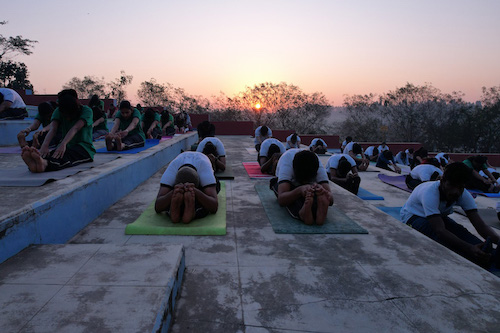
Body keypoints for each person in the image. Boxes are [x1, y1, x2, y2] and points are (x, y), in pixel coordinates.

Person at [401, 162, 500, 269]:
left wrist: (498, 241)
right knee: (438, 237)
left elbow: (480, 225)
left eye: (460, 187)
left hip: (437, 217)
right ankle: (475, 258)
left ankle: (489, 255)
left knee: (460, 231)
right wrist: (470, 249)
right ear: (442, 181)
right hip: (413, 217)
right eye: (451, 185)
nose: (455, 191)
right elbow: (440, 230)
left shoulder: (463, 194)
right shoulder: (430, 192)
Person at [20, 89, 95, 173]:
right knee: (53, 154)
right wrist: (45, 145)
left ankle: (44, 164)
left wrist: (63, 143)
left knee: (68, 156)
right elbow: (53, 129)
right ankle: (37, 164)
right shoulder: (58, 111)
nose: (68, 118)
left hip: (84, 148)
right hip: (66, 145)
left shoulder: (86, 111)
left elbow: (75, 128)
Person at [271, 149, 333, 225]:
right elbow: (282, 198)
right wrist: (299, 190)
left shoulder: (316, 163)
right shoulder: (287, 163)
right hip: (291, 186)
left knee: (314, 195)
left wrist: (321, 189)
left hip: (310, 188)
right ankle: (311, 212)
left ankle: (302, 214)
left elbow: (330, 199)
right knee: (276, 184)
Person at [155, 151, 218, 224]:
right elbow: (214, 206)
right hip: (197, 181)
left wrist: (173, 192)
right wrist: (194, 191)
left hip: (179, 182)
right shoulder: (205, 169)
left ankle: (173, 207)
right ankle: (193, 211)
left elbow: (158, 207)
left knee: (167, 196)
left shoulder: (171, 169)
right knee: (211, 191)